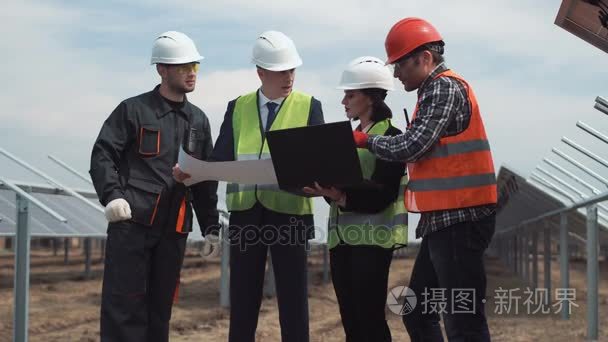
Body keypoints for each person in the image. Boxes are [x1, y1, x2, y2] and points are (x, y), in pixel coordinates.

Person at [352, 18, 497, 341]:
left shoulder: (444, 87)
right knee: (418, 311)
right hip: (443, 219)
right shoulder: (431, 92)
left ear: (425, 58)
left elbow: (413, 145)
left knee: (464, 323)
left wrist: (367, 141)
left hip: (462, 215)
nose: (396, 73)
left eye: (400, 64)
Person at [89, 31, 219, 342]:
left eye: (195, 67)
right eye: (183, 66)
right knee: (124, 307)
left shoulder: (198, 121)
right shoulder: (132, 110)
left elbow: (204, 178)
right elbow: (102, 154)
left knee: (160, 309)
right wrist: (112, 196)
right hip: (131, 223)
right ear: (161, 69)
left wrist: (211, 225)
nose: (191, 73)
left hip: (173, 229)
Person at [212, 30, 323, 342]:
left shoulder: (309, 105)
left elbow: (321, 161)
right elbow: (221, 157)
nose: (289, 77)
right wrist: (196, 167)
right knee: (243, 298)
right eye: (281, 71)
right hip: (245, 214)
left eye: (292, 69)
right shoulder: (238, 106)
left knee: (293, 299)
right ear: (261, 72)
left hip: (290, 213)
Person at [303, 56, 407, 342]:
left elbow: (383, 193)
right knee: (351, 321)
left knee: (370, 321)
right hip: (341, 241)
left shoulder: (392, 136)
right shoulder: (345, 139)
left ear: (370, 97)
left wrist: (342, 195)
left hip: (373, 241)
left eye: (350, 95)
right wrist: (327, 192)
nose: (343, 102)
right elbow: (336, 193)